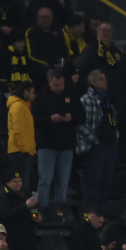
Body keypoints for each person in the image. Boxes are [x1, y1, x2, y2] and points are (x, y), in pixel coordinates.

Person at [34, 69, 77, 211]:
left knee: (63, 184)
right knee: (45, 182)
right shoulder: (40, 98)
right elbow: (33, 120)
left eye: (61, 84)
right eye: (56, 85)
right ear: (49, 82)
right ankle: (42, 212)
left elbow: (82, 116)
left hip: (66, 147)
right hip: (47, 146)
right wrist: (49, 119)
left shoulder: (71, 95)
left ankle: (60, 214)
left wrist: (72, 118)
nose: (59, 87)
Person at [78, 69, 120, 208]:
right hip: (97, 146)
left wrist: (115, 138)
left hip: (110, 146)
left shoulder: (107, 100)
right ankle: (90, 212)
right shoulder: (86, 99)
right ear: (92, 82)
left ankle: (101, 213)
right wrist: (93, 140)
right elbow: (79, 123)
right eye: (101, 79)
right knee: (94, 181)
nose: (105, 81)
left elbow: (113, 123)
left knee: (106, 182)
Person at [6, 83, 37, 178]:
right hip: (20, 153)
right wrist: (25, 150)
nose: (35, 95)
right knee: (21, 186)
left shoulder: (24, 107)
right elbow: (18, 130)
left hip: (23, 152)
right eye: (33, 92)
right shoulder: (18, 106)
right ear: (26, 92)